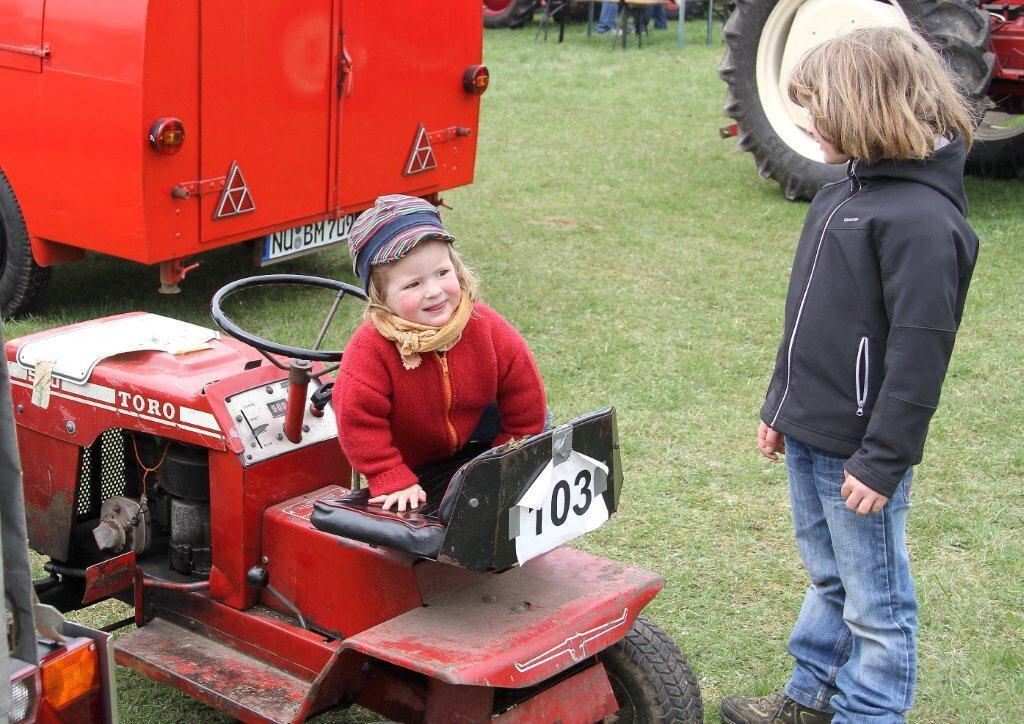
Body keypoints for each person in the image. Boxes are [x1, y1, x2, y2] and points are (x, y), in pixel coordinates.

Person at [721, 26, 979, 724]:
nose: (807, 121)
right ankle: (810, 697)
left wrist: (883, 458)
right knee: (829, 576)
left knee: (876, 599)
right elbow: (805, 317)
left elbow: (920, 359)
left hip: (861, 454)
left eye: (819, 107)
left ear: (868, 108)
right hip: (810, 432)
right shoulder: (844, 194)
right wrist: (780, 405)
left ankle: (868, 713)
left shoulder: (925, 222)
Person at [332, 194, 547, 513]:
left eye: (441, 273)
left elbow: (523, 387)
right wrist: (388, 474)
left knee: (542, 424)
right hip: (405, 450)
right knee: (397, 503)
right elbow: (357, 418)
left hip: (474, 427)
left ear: (457, 269)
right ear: (381, 298)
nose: (433, 291)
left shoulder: (483, 325)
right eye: (412, 284)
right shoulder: (371, 347)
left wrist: (510, 451)